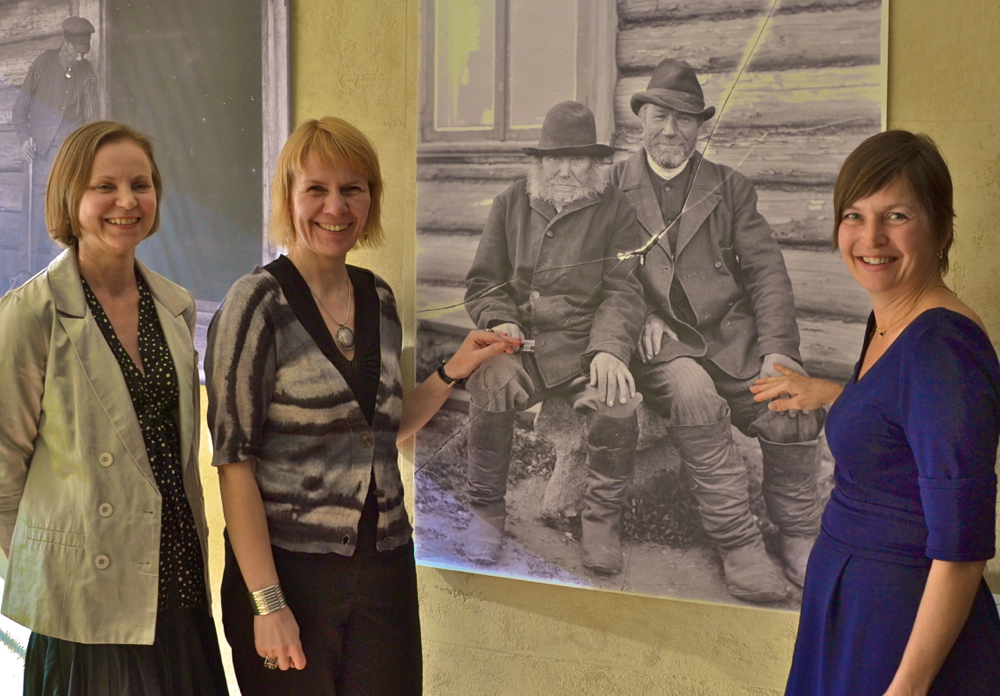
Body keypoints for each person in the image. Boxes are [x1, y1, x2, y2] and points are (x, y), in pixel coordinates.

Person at [205, 116, 515, 696]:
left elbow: (381, 429)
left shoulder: (378, 298)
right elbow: (233, 463)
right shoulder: (256, 305)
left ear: (371, 199)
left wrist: (451, 371)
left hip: (384, 567)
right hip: (289, 575)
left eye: (353, 188)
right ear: (288, 196)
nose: (336, 207)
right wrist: (267, 603)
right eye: (316, 189)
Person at [752, 130, 1000, 695]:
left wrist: (906, 688)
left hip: (899, 629)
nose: (871, 238)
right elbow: (903, 424)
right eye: (854, 216)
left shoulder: (942, 348)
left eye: (896, 216)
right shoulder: (892, 323)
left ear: (943, 228)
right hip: (857, 604)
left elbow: (962, 549)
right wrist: (834, 394)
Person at [0, 121, 227, 695]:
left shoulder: (175, 306)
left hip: (177, 584)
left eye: (140, 185)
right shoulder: (30, 313)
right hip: (85, 606)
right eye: (105, 186)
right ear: (69, 198)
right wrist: (52, 567)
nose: (127, 201)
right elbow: (2, 469)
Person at [610, 58, 825, 602]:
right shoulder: (611, 188)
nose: (670, 130)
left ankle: (799, 535)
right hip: (660, 346)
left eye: (684, 119)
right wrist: (645, 315)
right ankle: (739, 544)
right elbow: (601, 275)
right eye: (659, 116)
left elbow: (767, 272)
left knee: (790, 401)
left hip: (731, 339)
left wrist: (777, 350)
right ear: (641, 119)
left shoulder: (730, 187)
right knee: (694, 394)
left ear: (699, 126)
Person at [461, 101, 646, 575]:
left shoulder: (616, 209)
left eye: (577, 158)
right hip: (519, 346)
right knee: (490, 380)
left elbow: (624, 291)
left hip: (582, 351)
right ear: (540, 162)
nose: (565, 170)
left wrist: (610, 349)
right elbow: (484, 283)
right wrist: (501, 320)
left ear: (594, 163)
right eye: (555, 159)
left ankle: (601, 524)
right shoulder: (510, 203)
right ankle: (486, 512)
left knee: (618, 399)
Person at [10, 16, 99, 285]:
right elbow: (20, 110)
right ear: (64, 42)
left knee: (64, 221)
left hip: (68, 161)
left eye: (83, 53)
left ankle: (57, 281)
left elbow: (92, 123)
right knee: (32, 221)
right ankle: (25, 277)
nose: (79, 58)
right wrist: (25, 139)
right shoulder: (42, 64)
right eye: (75, 51)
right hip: (39, 160)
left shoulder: (87, 73)